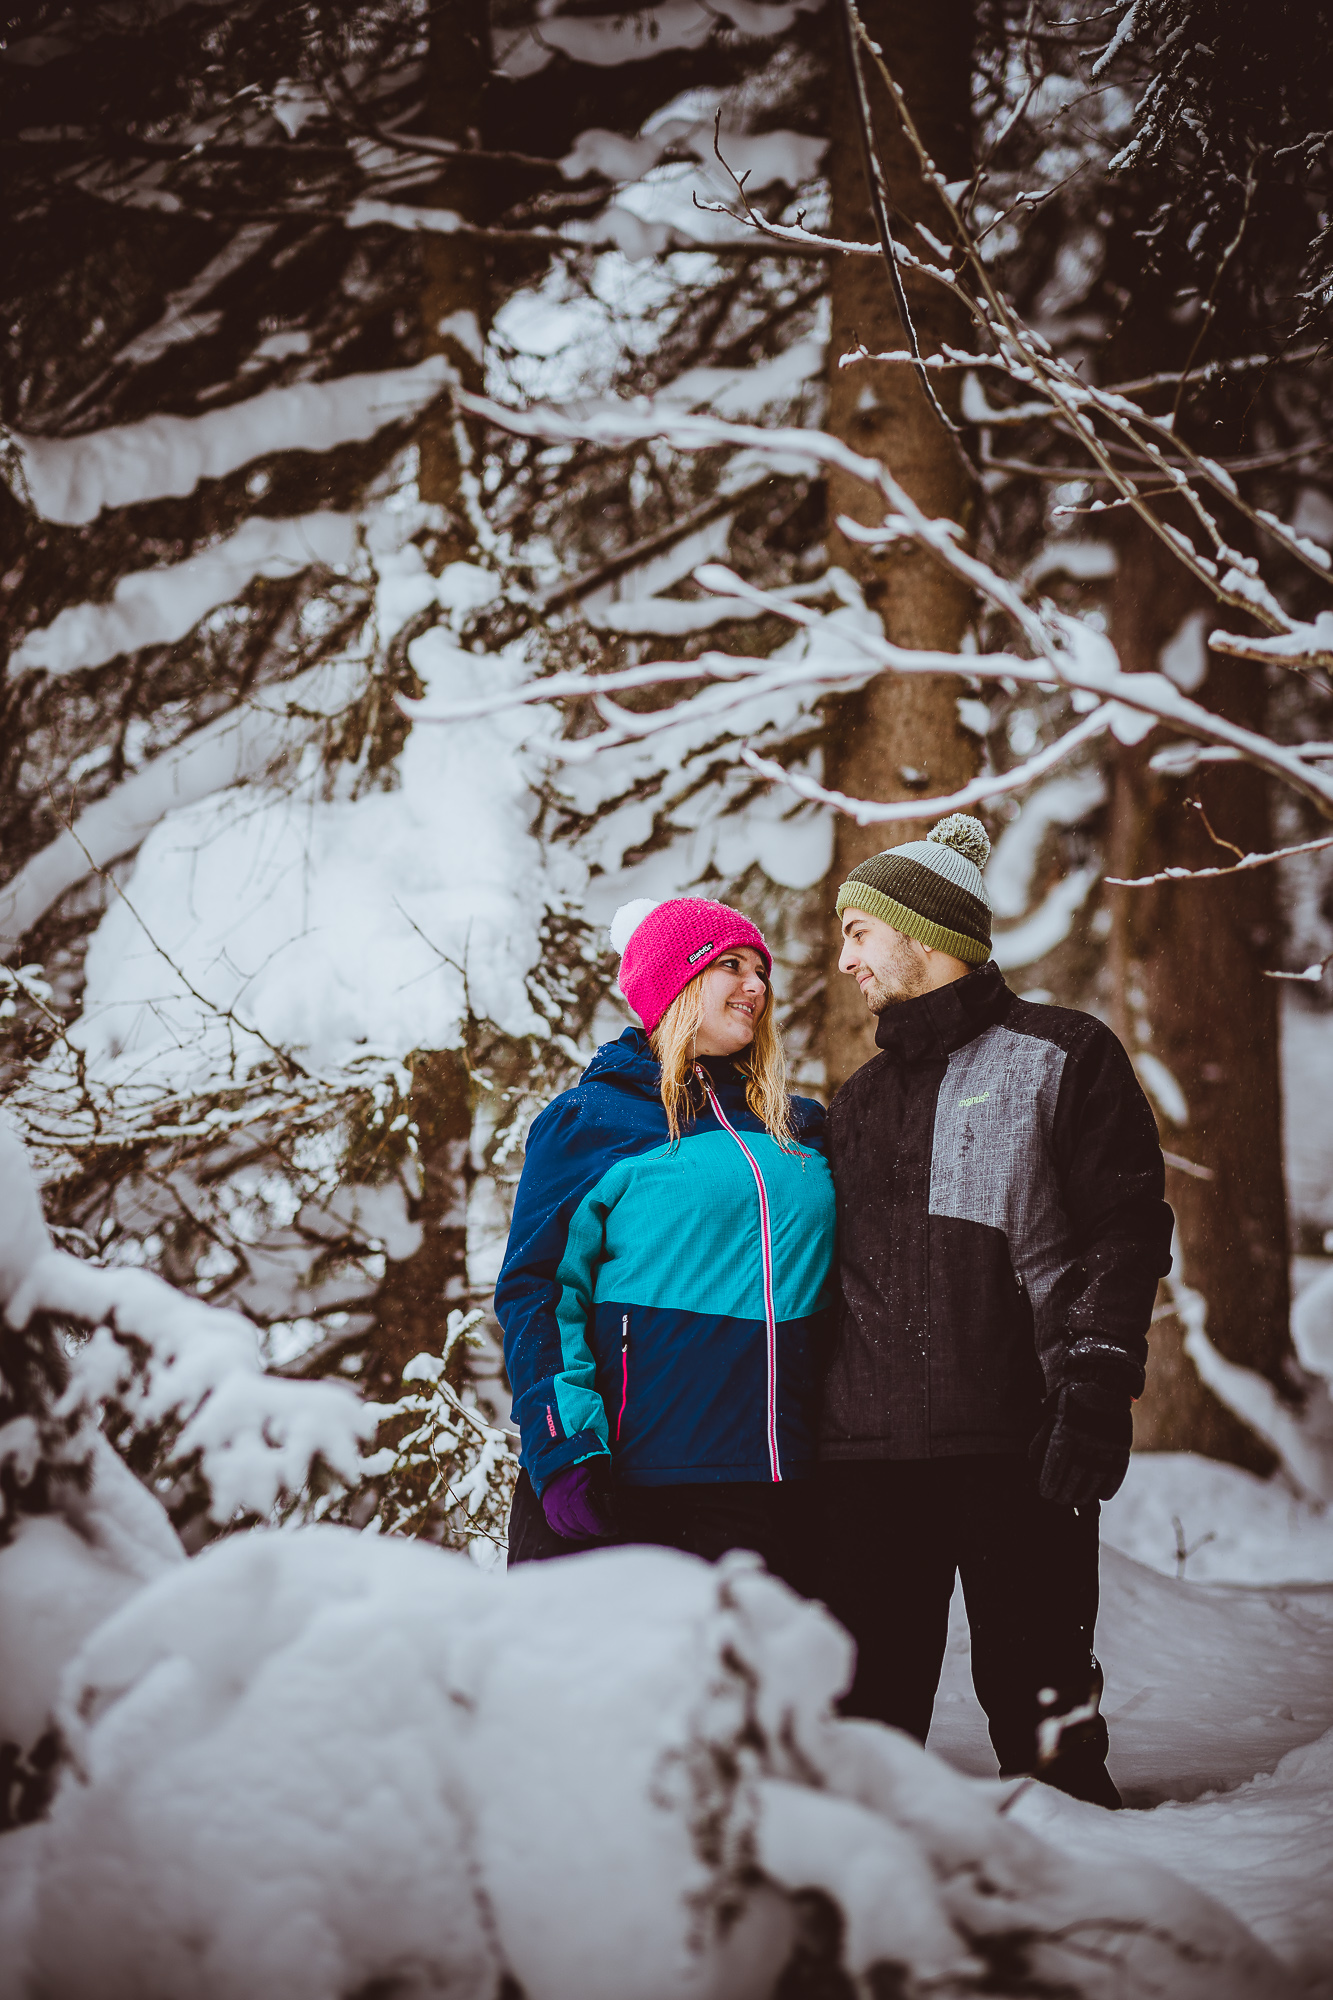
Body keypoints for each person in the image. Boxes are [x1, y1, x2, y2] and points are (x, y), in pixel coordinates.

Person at [817, 812, 1173, 1807]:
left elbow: (1125, 1227)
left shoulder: (1061, 1055)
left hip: (1020, 1445)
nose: (842, 955)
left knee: (1047, 1727)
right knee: (865, 1746)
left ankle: (1086, 1937)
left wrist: (1096, 1380)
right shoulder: (856, 1099)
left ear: (922, 934)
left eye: (858, 929)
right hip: (867, 1467)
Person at [496, 895, 836, 1585]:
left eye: (760, 972)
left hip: (783, 1482)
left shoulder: (798, 1129)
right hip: (637, 1482)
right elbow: (537, 1292)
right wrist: (564, 1447)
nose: (756, 987)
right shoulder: (592, 1120)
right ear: (674, 983)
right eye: (731, 966)